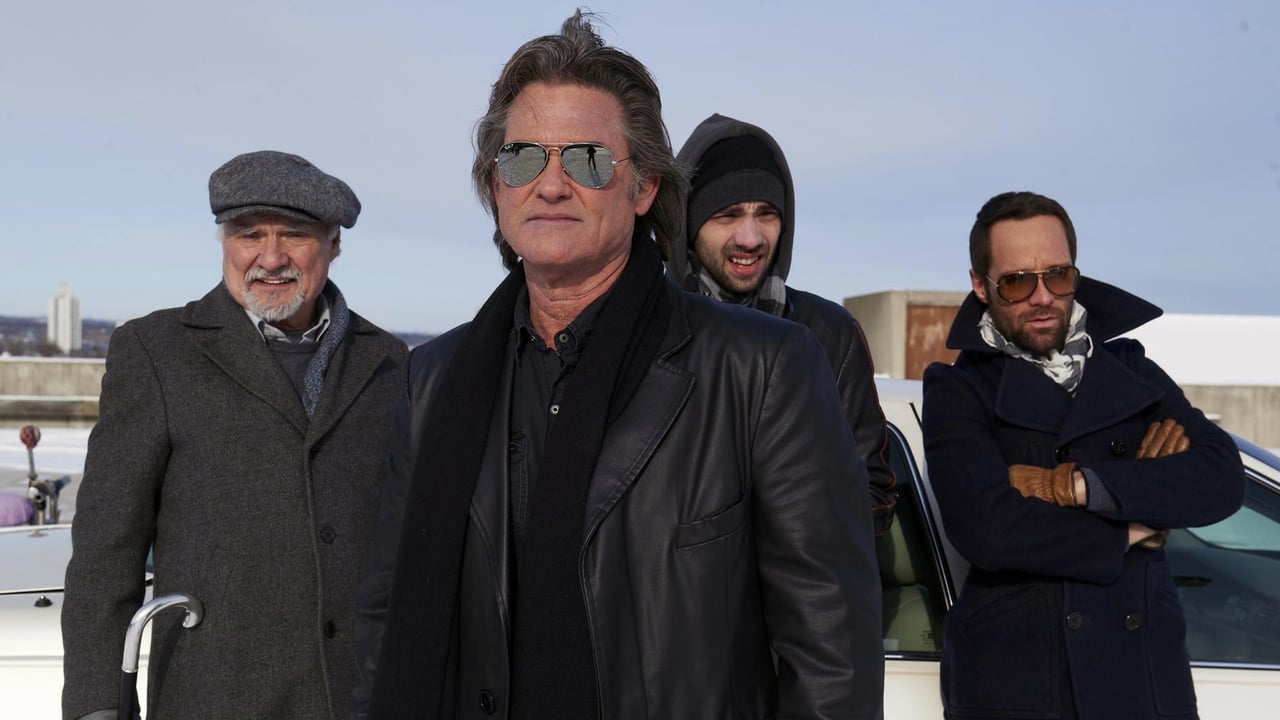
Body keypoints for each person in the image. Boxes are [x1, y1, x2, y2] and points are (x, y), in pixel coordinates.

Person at [352, 12, 883, 720]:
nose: (550, 185)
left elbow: (831, 655)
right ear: (494, 185)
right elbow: (386, 623)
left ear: (645, 188)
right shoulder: (435, 381)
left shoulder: (763, 369)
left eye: (587, 160)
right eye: (522, 158)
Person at [61, 151, 406, 720]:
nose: (270, 257)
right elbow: (106, 549)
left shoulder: (391, 363)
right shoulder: (156, 351)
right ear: (224, 241)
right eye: (249, 234)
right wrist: (97, 706)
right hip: (212, 697)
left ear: (334, 243)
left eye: (294, 234)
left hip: (361, 698)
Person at [922, 190, 1245, 720]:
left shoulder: (1130, 370)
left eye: (1058, 275)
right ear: (981, 285)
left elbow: (1222, 478)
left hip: (1143, 681)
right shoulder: (959, 390)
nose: (1042, 297)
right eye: (1017, 281)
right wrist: (1129, 529)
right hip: (1022, 687)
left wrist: (1072, 486)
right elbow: (986, 528)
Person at [673, 113, 896, 536]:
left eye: (767, 214)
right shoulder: (650, 330)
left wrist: (783, 542)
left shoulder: (829, 335)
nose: (751, 238)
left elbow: (874, 498)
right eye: (727, 215)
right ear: (687, 223)